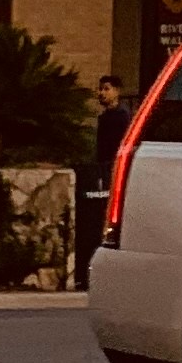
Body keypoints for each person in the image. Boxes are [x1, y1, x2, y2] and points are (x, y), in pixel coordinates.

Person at [75, 79, 132, 283]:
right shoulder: (104, 117)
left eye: (106, 89)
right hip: (102, 169)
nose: (101, 93)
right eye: (100, 89)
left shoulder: (122, 117)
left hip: (113, 169)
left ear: (117, 92)